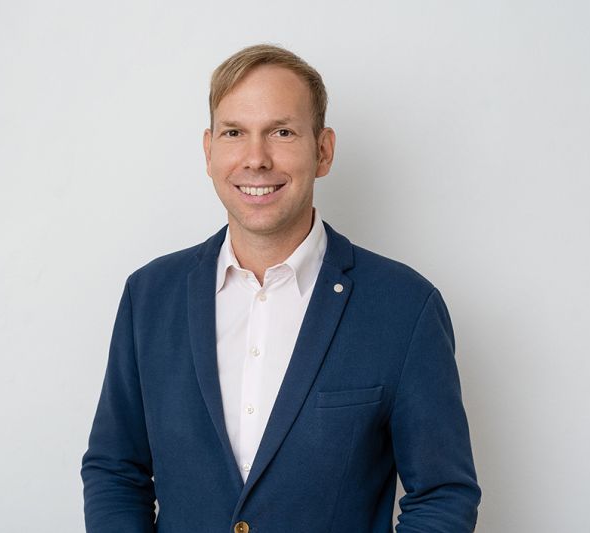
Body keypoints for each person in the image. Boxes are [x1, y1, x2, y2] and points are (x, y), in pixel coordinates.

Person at [81, 43, 481, 533]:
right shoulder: (149, 297)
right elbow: (115, 470)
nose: (256, 159)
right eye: (234, 133)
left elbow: (442, 494)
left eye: (282, 132)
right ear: (209, 152)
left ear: (324, 150)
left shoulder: (405, 307)